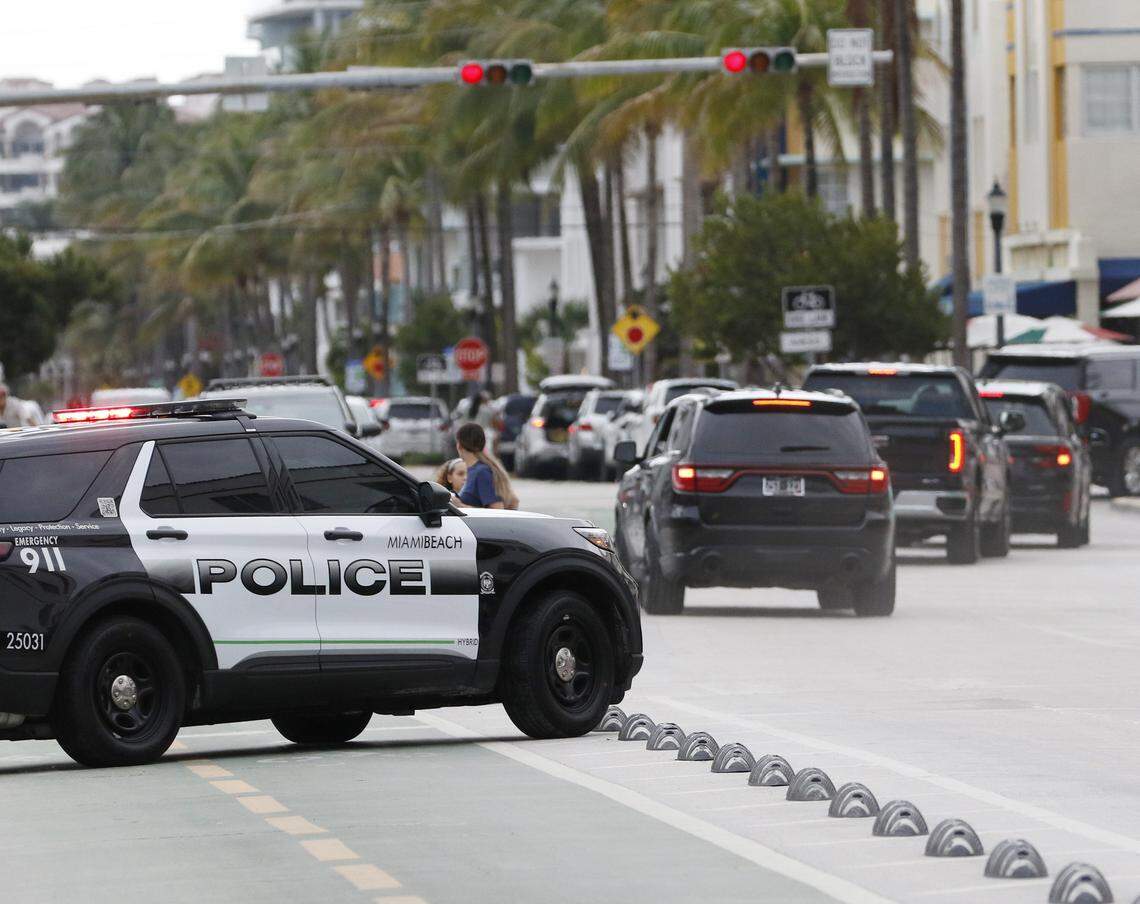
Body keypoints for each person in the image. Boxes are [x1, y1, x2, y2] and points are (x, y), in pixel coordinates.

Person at [453, 422, 519, 510]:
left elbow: (497, 510)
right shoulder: (476, 470)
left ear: (459, 445)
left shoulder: (482, 472)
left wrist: (460, 506)